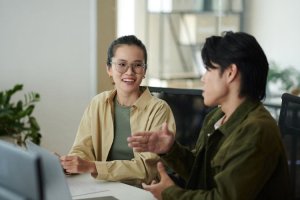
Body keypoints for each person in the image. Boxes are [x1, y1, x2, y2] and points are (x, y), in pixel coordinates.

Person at [127, 31, 292, 199]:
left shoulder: (257, 129)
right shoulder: (217, 117)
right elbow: (202, 175)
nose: (203, 78)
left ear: (230, 73)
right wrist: (171, 150)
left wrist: (170, 193)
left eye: (208, 69)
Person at [60, 35, 176, 186]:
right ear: (109, 69)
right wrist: (70, 163)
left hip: (142, 191)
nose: (129, 72)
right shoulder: (98, 103)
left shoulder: (159, 109)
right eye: (122, 64)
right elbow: (82, 148)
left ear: (144, 70)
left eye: (137, 65)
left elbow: (147, 168)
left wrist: (94, 167)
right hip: (104, 186)